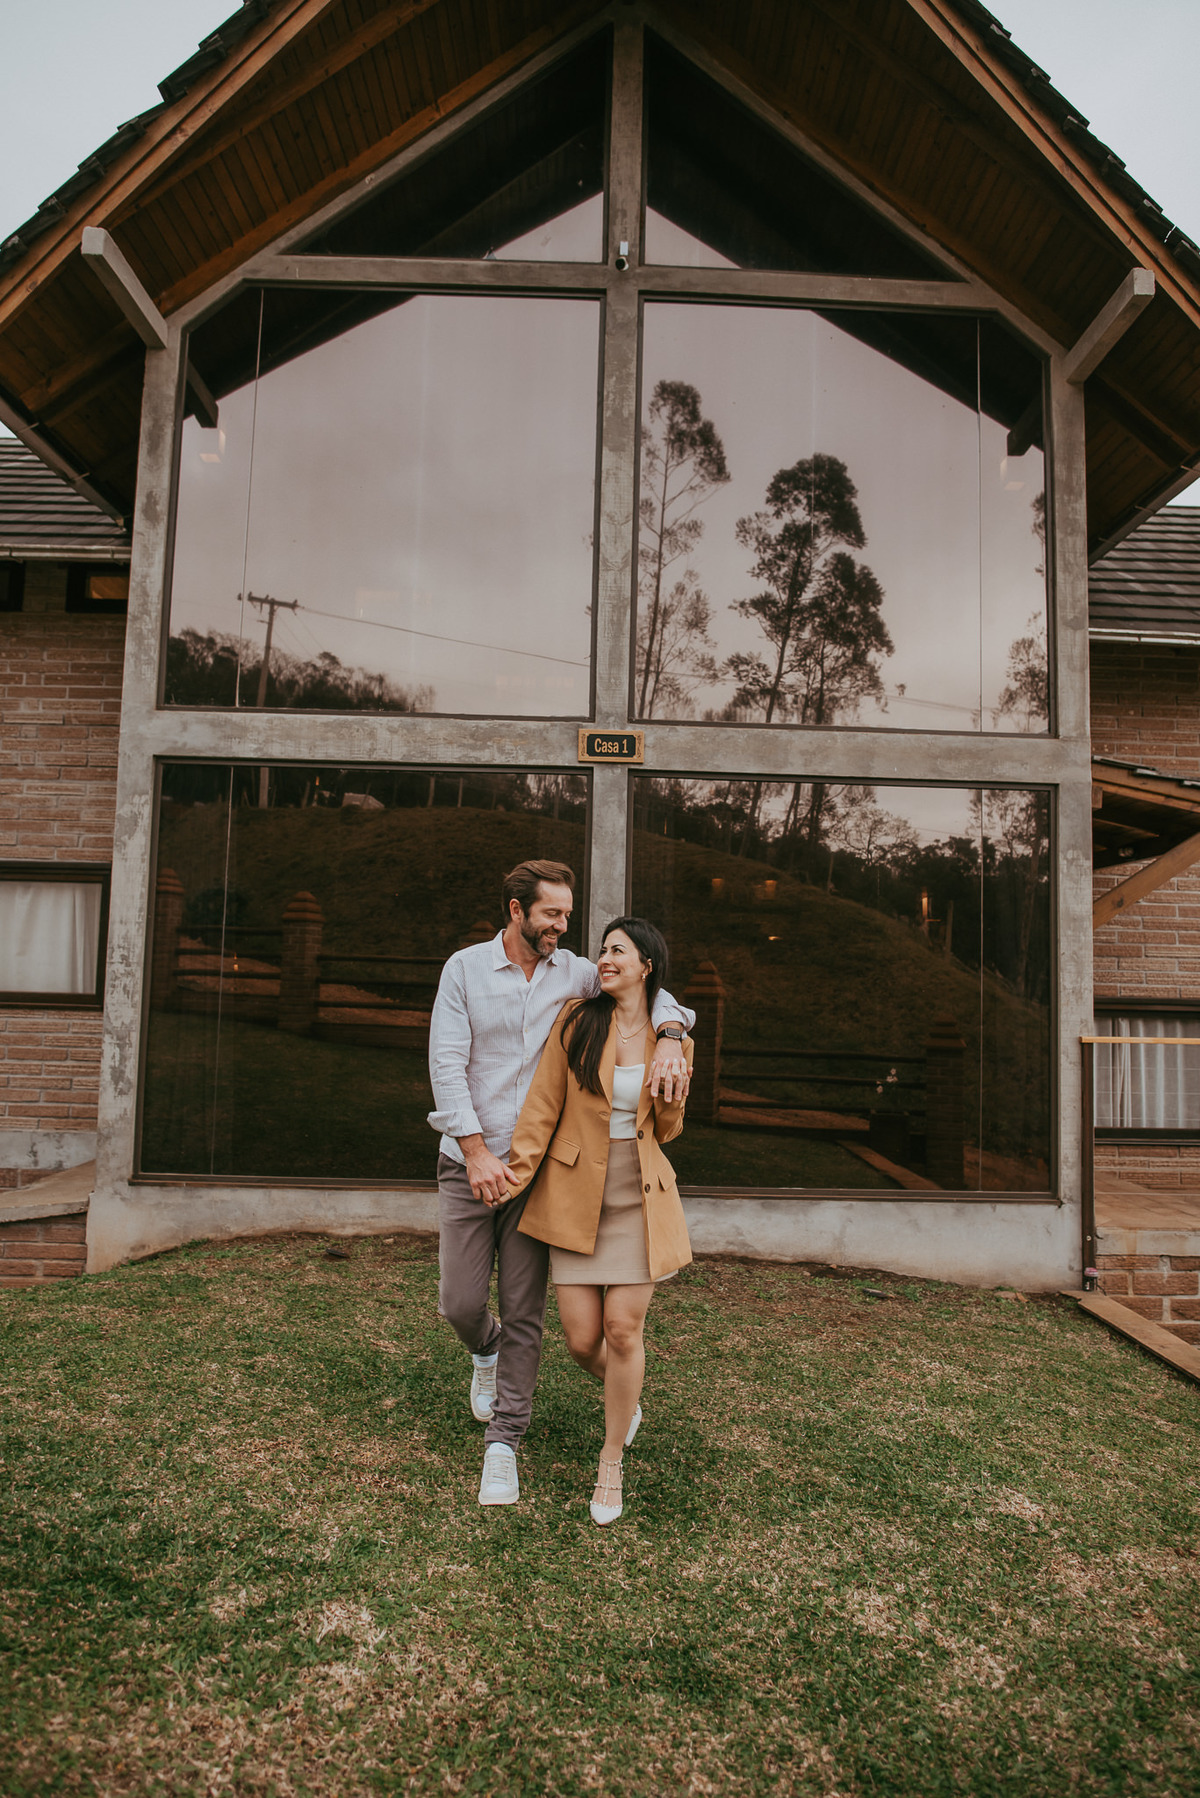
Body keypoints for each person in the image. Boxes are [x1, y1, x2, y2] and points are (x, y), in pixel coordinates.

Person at [427, 861, 693, 1507]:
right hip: (476, 1162)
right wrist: (479, 1156)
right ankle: (483, 1351)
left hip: (558, 1178)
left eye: (569, 917)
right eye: (553, 915)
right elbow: (446, 1064)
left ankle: (506, 1442)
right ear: (517, 910)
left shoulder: (574, 973)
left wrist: (672, 1035)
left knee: (538, 1314)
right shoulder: (465, 969)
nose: (565, 929)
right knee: (464, 1304)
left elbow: (656, 992)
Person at [502, 916, 693, 1527]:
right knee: (582, 1339)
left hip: (639, 1197)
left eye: (619, 951)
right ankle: (625, 1396)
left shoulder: (675, 1041)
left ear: (647, 966)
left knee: (621, 1329)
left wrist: (670, 1100)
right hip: (575, 1195)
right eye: (603, 949)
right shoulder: (577, 1021)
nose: (604, 959)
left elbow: (668, 1133)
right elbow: (542, 1106)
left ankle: (611, 1458)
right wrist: (515, 1171)